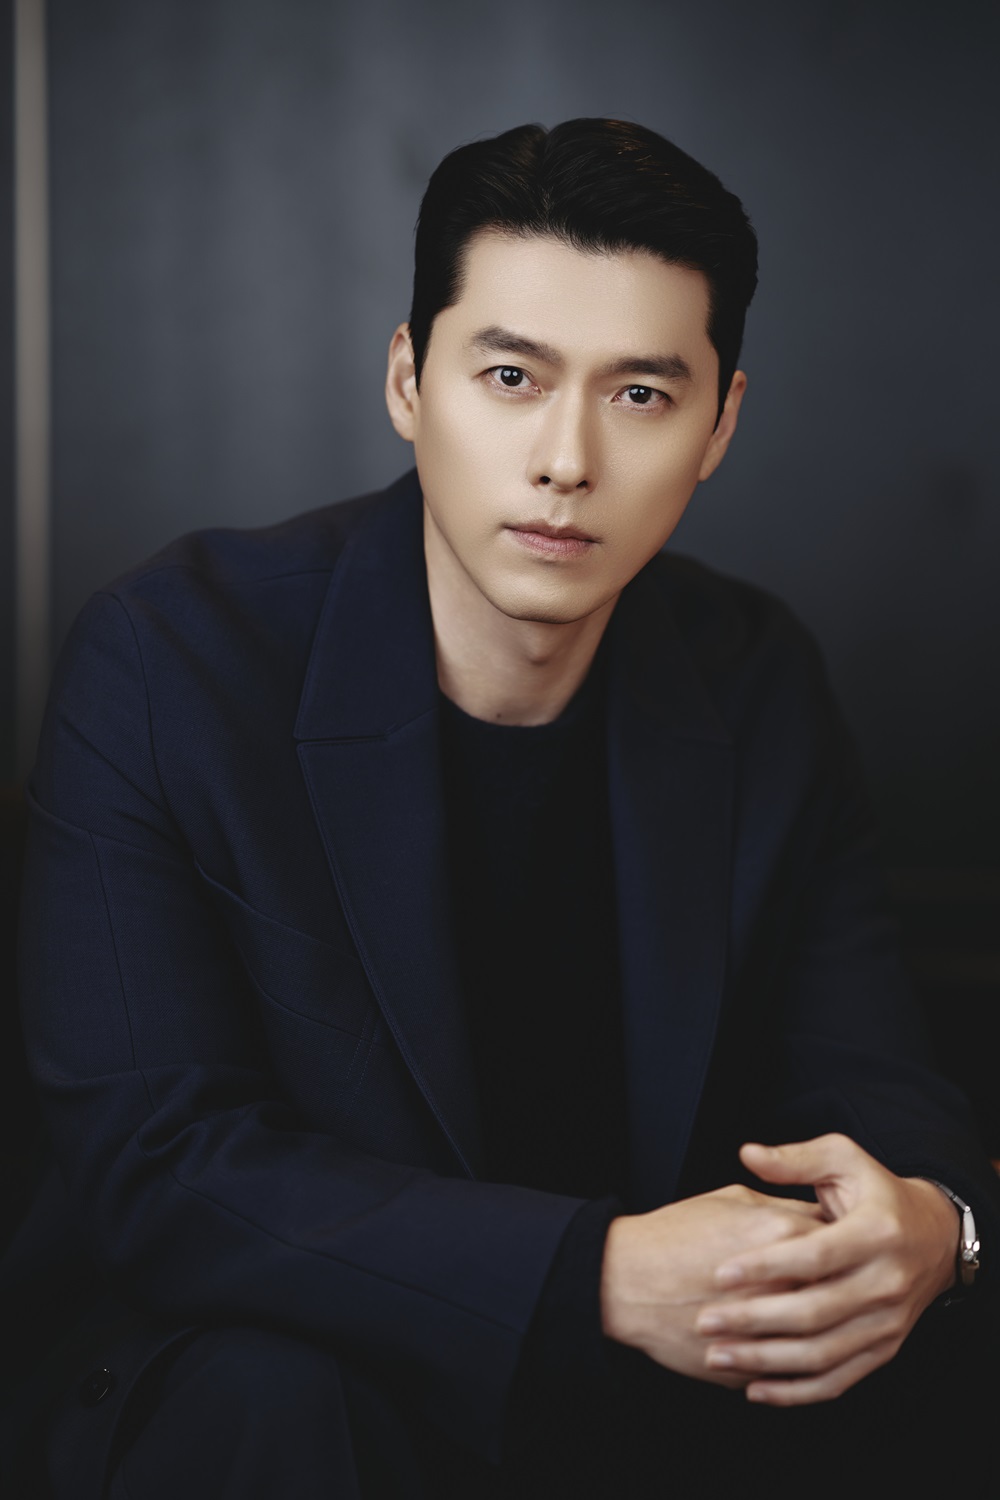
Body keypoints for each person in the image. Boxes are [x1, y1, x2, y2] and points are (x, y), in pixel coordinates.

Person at [5, 117, 997, 1498]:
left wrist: (939, 1226)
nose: (565, 460)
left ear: (719, 425)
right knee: (274, 1391)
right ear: (408, 382)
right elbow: (157, 1162)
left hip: (655, 1395)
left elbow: (872, 1071)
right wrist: (593, 1275)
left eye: (640, 394)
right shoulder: (173, 659)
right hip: (300, 1380)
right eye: (512, 376)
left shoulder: (753, 673)